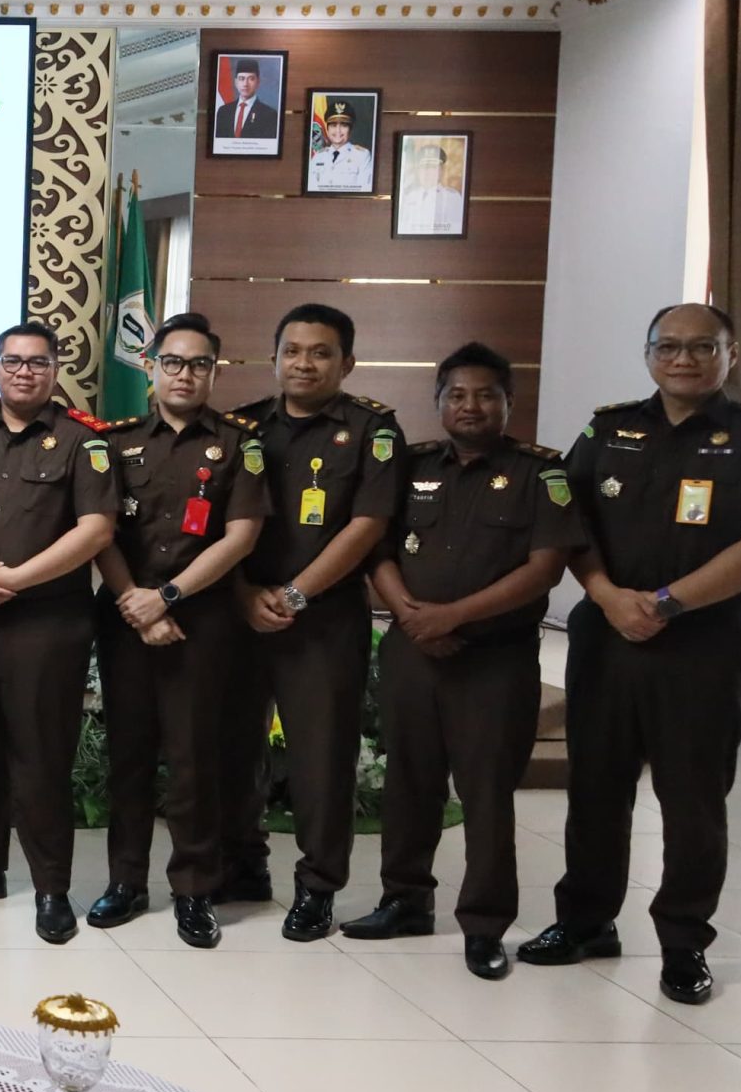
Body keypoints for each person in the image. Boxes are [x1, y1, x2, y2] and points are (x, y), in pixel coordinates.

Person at [521, 303, 741, 1006]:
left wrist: (662, 604)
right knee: (595, 786)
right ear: (648, 352)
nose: (684, 358)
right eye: (669, 346)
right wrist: (604, 593)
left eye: (702, 347)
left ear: (731, 352)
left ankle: (684, 941)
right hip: (606, 638)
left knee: (693, 799)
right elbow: (568, 517)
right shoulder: (610, 428)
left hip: (703, 646)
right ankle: (585, 921)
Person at [354, 343, 583, 980]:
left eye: (486, 395)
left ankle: (484, 925)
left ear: (509, 403)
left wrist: (452, 617)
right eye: (457, 394)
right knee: (409, 782)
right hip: (412, 651)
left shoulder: (543, 473)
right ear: (439, 402)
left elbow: (545, 569)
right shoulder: (410, 466)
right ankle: (404, 900)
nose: (471, 406)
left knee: (486, 796)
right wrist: (410, 615)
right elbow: (375, 548)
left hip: (493, 660)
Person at [0, 321, 120, 943]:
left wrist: (15, 579)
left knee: (41, 757)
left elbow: (95, 532)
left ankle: (50, 887)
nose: (24, 372)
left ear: (56, 368)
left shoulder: (82, 442)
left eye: (37, 362)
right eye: (13, 362)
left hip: (47, 623)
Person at [227, 303, 403, 940]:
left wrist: (296, 595)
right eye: (292, 350)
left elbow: (368, 525)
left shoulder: (371, 431)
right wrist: (245, 593)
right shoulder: (242, 427)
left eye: (320, 352)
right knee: (233, 747)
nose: (304, 362)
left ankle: (318, 887)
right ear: (274, 356)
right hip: (241, 614)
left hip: (323, 620)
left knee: (320, 758)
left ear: (346, 362)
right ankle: (243, 867)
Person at [91, 314, 266, 949]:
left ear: (214, 372)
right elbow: (101, 532)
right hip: (126, 619)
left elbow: (241, 537)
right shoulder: (115, 441)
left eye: (198, 365)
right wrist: (134, 603)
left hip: (204, 622)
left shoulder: (239, 444)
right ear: (150, 367)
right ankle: (126, 882)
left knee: (195, 760)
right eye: (174, 362)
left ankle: (194, 890)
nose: (185, 374)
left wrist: (165, 597)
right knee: (129, 757)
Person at [305, 101, 373, 192]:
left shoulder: (362, 156)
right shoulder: (318, 156)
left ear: (350, 129)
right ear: (327, 129)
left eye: (344, 125)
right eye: (333, 125)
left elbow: (364, 192)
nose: (338, 130)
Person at [400, 142, 465, 235]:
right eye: (424, 167)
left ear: (441, 171)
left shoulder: (452, 198)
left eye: (432, 167)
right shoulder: (407, 196)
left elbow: (455, 231)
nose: (427, 172)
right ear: (418, 170)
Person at [214, 57, 276, 142]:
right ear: (236, 82)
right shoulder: (223, 111)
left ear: (258, 82)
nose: (245, 84)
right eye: (241, 78)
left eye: (251, 79)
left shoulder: (269, 115)